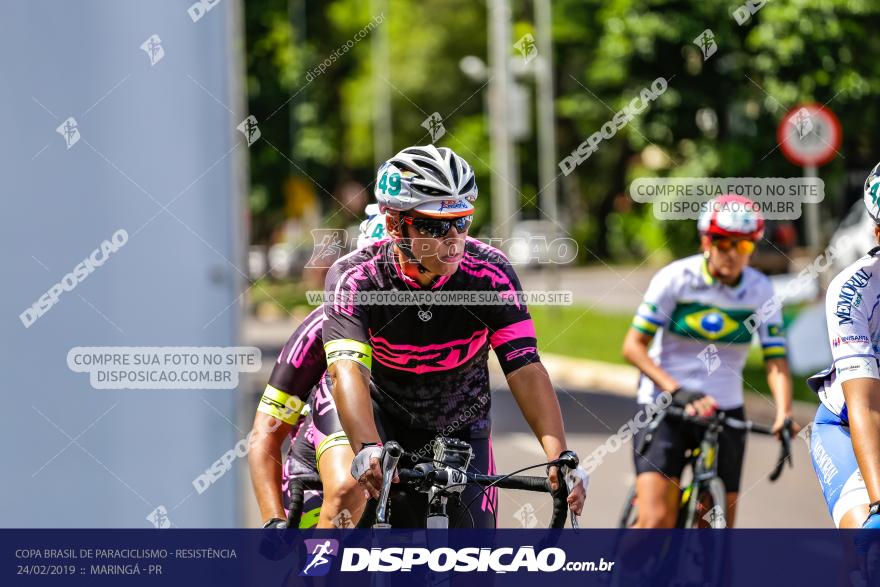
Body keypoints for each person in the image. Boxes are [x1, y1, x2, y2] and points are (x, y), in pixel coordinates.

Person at [320, 145, 587, 528]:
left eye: (461, 222)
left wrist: (559, 456)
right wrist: (366, 448)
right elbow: (346, 369)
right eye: (433, 226)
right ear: (395, 225)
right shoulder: (358, 277)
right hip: (383, 417)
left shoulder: (490, 274)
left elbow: (525, 367)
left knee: (475, 557)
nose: (452, 238)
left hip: (461, 423)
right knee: (348, 500)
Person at [621, 194, 795, 528]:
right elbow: (633, 347)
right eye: (723, 243)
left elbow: (776, 360)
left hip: (723, 409)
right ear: (706, 241)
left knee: (717, 524)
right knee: (657, 521)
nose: (732, 254)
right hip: (666, 403)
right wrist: (677, 390)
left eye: (743, 246)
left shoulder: (761, 291)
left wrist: (784, 412)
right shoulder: (675, 279)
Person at [248, 207, 385, 529]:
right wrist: (272, 520)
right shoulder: (319, 329)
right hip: (319, 471)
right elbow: (265, 433)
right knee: (342, 498)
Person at [808, 161, 880, 530]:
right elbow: (863, 406)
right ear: (879, 233)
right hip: (848, 425)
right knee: (870, 539)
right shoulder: (853, 291)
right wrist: (879, 502)